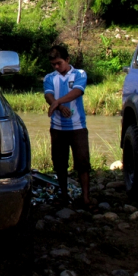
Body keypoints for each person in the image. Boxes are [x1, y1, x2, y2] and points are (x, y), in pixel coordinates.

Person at [43, 44, 92, 208]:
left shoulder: (79, 74)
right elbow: (48, 94)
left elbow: (77, 92)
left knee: (83, 163)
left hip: (77, 127)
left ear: (67, 60)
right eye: (53, 65)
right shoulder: (50, 77)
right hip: (57, 127)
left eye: (59, 63)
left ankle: (85, 197)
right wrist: (58, 105)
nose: (57, 67)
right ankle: (64, 195)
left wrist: (57, 102)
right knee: (59, 163)